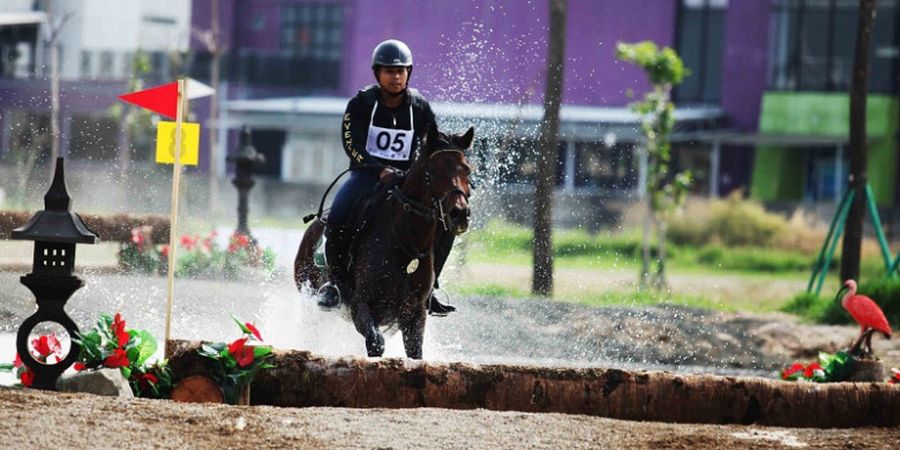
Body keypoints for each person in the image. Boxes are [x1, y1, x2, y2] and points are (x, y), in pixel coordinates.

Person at [317, 39, 456, 316]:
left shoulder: (420, 107)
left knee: (447, 223)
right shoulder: (361, 103)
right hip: (366, 176)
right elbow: (351, 145)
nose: (396, 76)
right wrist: (378, 169)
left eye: (402, 71)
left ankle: (430, 287)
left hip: (407, 181)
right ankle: (335, 282)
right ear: (377, 73)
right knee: (339, 214)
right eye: (390, 71)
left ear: (409, 73)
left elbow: (431, 145)